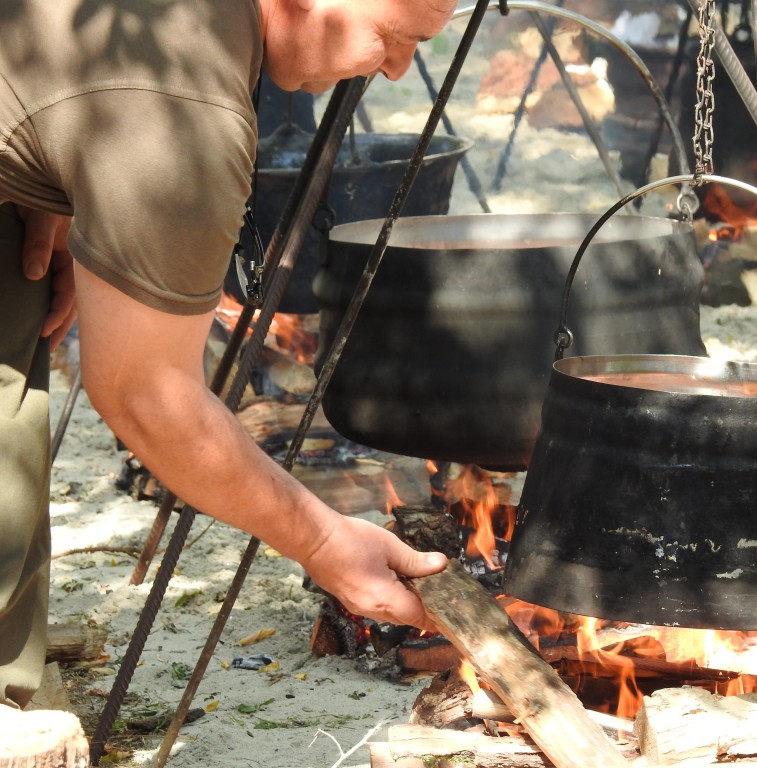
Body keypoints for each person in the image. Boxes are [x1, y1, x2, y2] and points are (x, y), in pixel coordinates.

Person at [0, 0, 458, 714]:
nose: (399, 68)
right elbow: (145, 394)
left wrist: (41, 174)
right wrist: (324, 540)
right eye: (395, 38)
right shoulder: (186, 105)